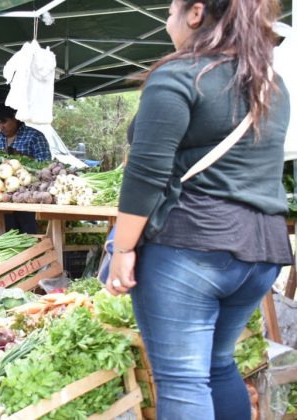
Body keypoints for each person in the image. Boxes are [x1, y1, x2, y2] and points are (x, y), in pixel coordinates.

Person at [105, 1, 290, 419]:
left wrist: (122, 250)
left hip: (191, 248)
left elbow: (146, 174)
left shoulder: (180, 73)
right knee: (217, 364)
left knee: (183, 381)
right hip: (261, 252)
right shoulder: (271, 85)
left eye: (170, 10)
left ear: (195, 13)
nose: (167, 20)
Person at [0, 103, 51, 233]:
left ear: (15, 117)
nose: (1, 127)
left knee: (29, 233)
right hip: (2, 197)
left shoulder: (35, 136)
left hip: (27, 196)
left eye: (4, 122)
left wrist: (21, 156)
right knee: (6, 234)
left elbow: (46, 164)